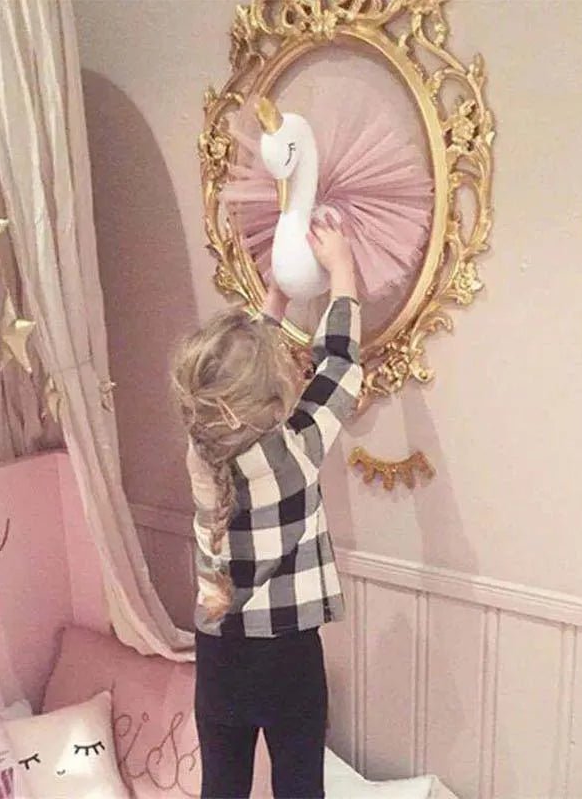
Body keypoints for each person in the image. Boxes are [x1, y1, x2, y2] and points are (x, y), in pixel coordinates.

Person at [171, 221, 362, 799]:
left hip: (220, 651)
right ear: (275, 397)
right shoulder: (296, 452)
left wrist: (273, 305)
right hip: (287, 656)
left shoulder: (199, 448)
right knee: (300, 786)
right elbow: (340, 367)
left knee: (222, 786)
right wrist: (343, 269)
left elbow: (234, 384)